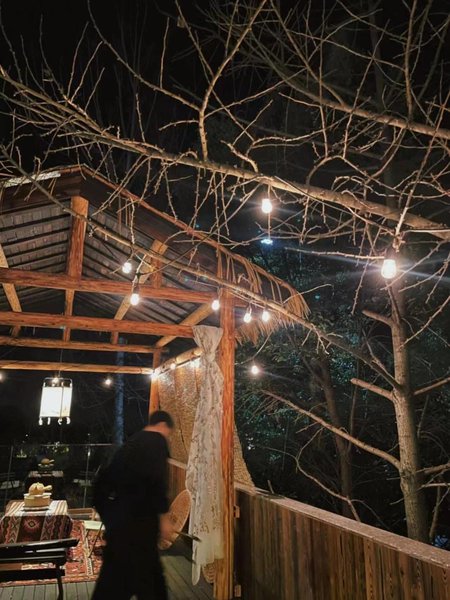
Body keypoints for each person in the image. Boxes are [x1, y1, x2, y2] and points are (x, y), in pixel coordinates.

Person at [91, 411, 174, 600]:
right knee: (146, 583)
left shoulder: (132, 443)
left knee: (119, 583)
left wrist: (109, 517)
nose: (168, 437)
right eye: (169, 433)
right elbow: (157, 481)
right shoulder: (156, 441)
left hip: (122, 526)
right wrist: (164, 518)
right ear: (162, 425)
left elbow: (103, 482)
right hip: (139, 526)